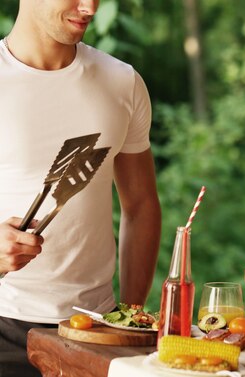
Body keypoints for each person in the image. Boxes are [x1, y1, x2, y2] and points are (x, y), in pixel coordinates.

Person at [0, 1, 161, 376]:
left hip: (95, 331)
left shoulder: (121, 81)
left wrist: (129, 316)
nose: (89, 6)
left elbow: (140, 205)